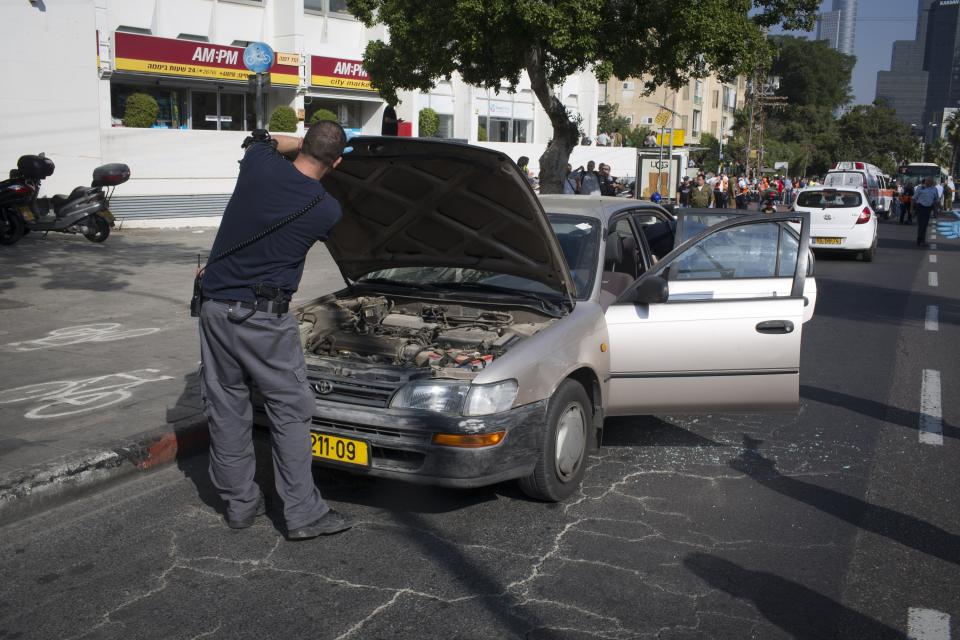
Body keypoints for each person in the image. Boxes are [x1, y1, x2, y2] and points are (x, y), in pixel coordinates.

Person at [199, 122, 352, 540]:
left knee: (227, 407)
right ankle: (302, 514)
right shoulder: (326, 209)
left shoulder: (259, 165)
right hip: (264, 320)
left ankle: (239, 506)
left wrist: (288, 141)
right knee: (290, 409)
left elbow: (261, 140)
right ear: (336, 162)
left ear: (302, 144)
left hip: (214, 309)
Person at [913, 177, 938, 246]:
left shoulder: (934, 189)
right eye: (928, 181)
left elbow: (936, 200)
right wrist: (912, 209)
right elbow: (914, 198)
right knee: (921, 224)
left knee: (925, 224)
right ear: (925, 181)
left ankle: (921, 239)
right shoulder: (920, 188)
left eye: (930, 181)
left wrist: (936, 210)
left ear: (932, 182)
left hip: (928, 209)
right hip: (920, 207)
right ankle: (920, 239)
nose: (929, 182)